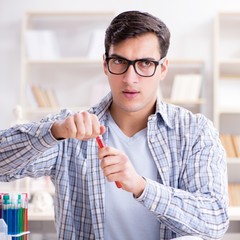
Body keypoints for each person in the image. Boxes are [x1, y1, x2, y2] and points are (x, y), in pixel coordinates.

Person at [0, 10, 229, 240]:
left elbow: (215, 220)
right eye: (119, 61)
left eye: (145, 63)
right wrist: (54, 132)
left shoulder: (195, 132)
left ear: (163, 68)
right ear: (105, 64)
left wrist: (141, 187)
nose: (130, 78)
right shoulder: (69, 130)